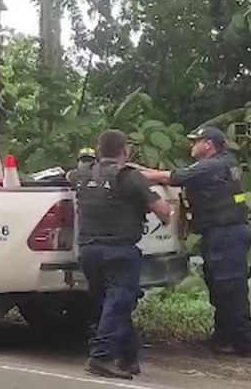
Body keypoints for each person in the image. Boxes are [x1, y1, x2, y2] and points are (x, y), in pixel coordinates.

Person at [135, 127, 250, 356]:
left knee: (229, 288)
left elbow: (172, 177)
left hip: (225, 233)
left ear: (208, 144)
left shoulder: (212, 166)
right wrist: (140, 170)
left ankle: (241, 341)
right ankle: (224, 336)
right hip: (222, 232)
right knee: (219, 286)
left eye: (195, 142)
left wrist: (132, 173)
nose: (191, 146)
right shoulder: (225, 161)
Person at [70, 130, 172, 378]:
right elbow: (164, 212)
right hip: (119, 251)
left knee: (112, 304)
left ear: (98, 150)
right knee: (118, 303)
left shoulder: (80, 175)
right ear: (124, 151)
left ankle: (128, 357)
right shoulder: (131, 177)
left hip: (88, 252)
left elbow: (69, 175)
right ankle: (101, 356)